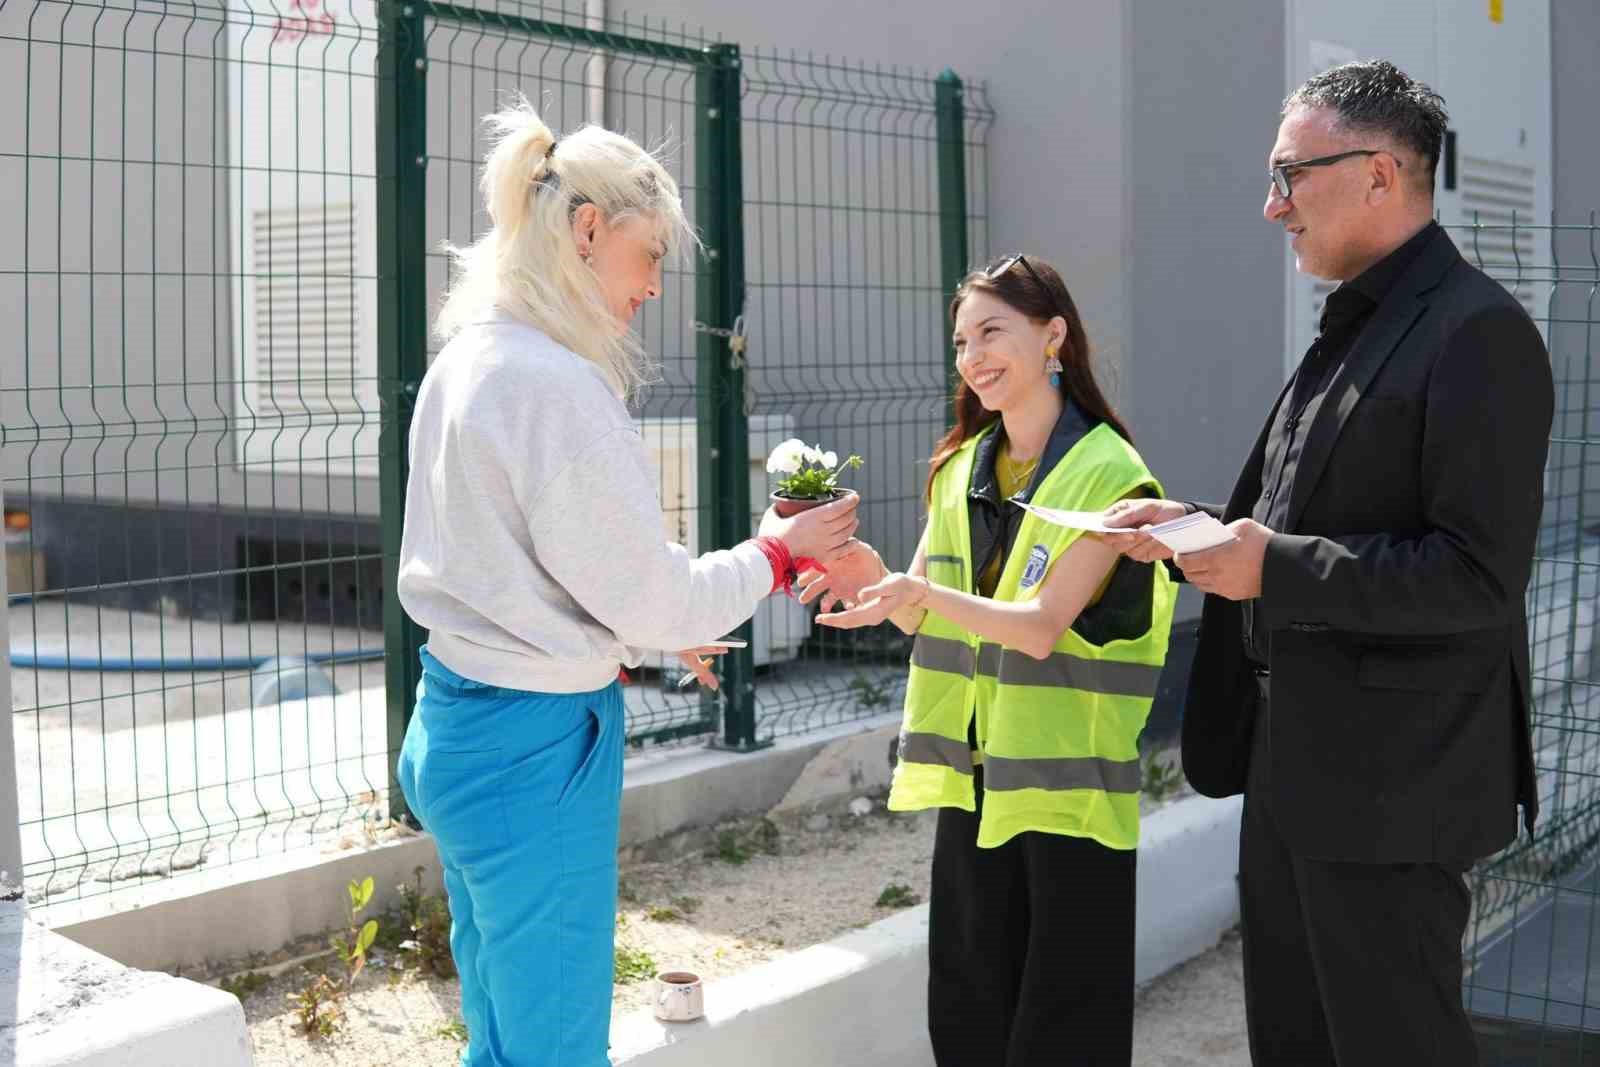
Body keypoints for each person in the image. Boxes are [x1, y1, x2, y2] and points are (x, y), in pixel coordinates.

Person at [1101, 60, 1553, 1065]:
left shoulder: (1479, 333)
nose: (1272, 206)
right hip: (1294, 764)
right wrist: (1191, 529)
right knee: (1296, 1041)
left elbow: (1475, 576)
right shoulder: (1352, 326)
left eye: (1289, 174)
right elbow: (1298, 519)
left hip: (1394, 788)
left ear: (1381, 175)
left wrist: (1275, 565)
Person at [392, 100, 859, 1067]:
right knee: (555, 1045)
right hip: (534, 747)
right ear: (588, 229)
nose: (653, 287)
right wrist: (775, 549)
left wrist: (634, 626)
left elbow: (519, 564)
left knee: (498, 1026)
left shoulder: (466, 360)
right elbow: (651, 596)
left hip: (454, 725)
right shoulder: (559, 386)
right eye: (649, 256)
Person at [801, 254, 1176, 1066]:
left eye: (991, 332)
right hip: (976, 781)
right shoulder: (960, 468)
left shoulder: (1110, 470)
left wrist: (919, 594)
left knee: (1063, 1030)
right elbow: (932, 616)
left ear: (1054, 337)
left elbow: (1039, 625)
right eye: (961, 341)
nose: (972, 357)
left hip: (1070, 795)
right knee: (969, 1014)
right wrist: (873, 578)